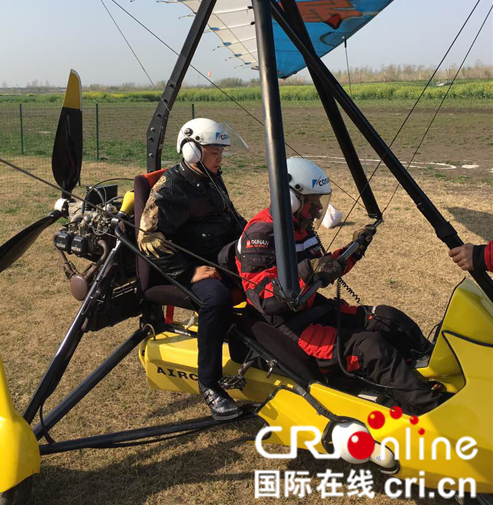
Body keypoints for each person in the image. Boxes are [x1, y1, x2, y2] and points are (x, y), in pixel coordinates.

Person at [236, 157, 445, 416]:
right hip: (288, 326)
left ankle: (435, 376)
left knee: (388, 318)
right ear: (290, 199)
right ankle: (433, 412)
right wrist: (308, 270)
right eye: (312, 203)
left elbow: (324, 267)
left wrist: (353, 250)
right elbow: (265, 299)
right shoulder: (261, 234)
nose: (317, 211)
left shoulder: (299, 228)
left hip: (313, 309)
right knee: (370, 349)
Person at [138, 118, 246, 420]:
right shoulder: (172, 187)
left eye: (221, 152)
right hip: (190, 265)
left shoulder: (210, 176)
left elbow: (230, 217)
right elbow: (148, 239)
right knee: (216, 300)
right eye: (214, 152)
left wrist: (257, 237)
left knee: (268, 268)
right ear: (192, 151)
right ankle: (209, 385)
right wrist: (188, 273)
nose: (220, 158)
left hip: (220, 253)